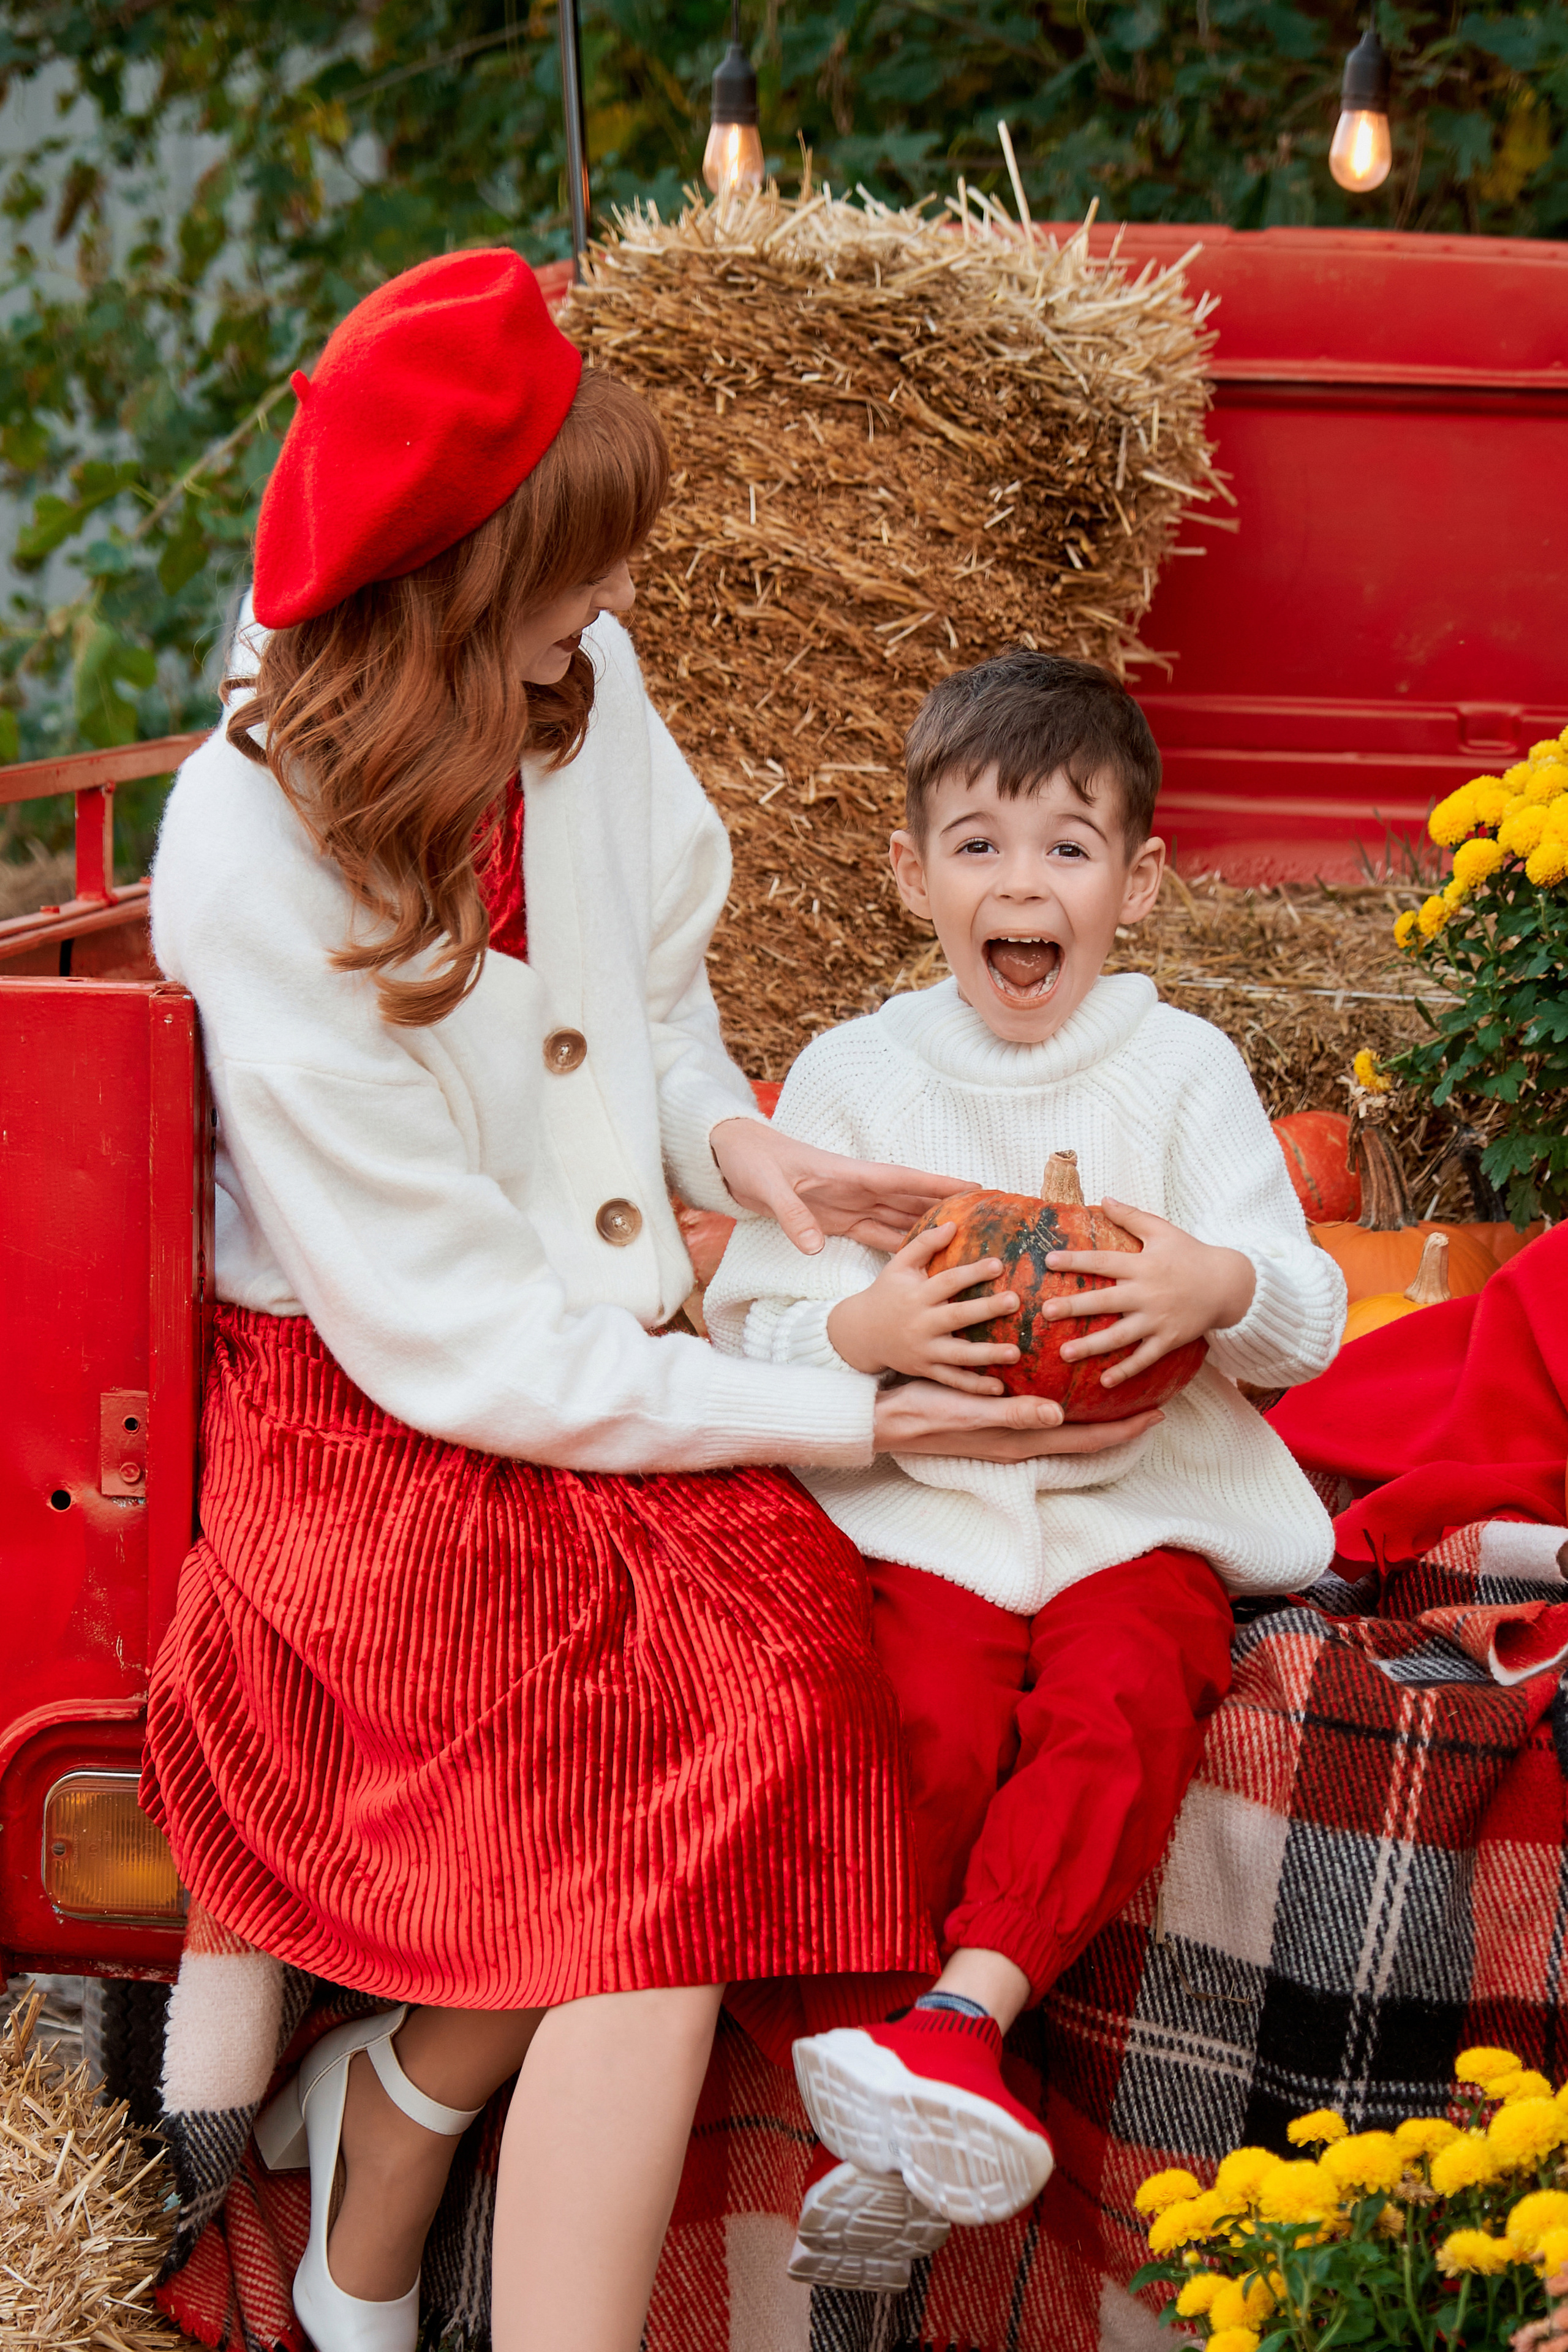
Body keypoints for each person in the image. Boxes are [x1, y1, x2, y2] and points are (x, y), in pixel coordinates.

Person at [140, 254, 1148, 2352]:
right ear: (450, 588)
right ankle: (404, 2156)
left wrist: (743, 1151)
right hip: (375, 1415)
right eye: (574, 574)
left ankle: (401, 2126)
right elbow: (459, 1343)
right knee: (652, 1756)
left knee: (771, 1672)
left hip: (587, 1358)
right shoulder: (253, 855)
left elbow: (656, 999)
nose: (614, 607)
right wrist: (853, 1412)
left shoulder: (574, 678)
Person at [705, 649, 1345, 2288]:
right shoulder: (854, 1074)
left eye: (1068, 845)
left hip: (1140, 1510)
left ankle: (959, 2018)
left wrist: (1217, 1285)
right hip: (930, 1517)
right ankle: (895, 2096)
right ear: (909, 872)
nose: (1021, 882)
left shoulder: (1181, 1068)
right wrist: (863, 1329)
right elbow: (749, 1317)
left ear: (1139, 881)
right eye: (978, 843)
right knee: (912, 1727)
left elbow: (1307, 1310)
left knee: (1122, 1710)